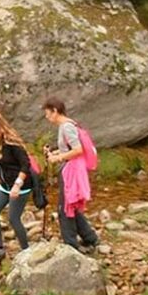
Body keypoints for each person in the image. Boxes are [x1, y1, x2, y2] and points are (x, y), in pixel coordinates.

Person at [43, 98, 98, 253]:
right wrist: (54, 153)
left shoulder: (66, 127)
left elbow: (78, 150)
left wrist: (58, 158)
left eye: (48, 114)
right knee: (72, 205)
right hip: (72, 169)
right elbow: (68, 148)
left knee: (64, 208)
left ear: (55, 111)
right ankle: (90, 238)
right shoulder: (68, 125)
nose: (47, 118)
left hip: (72, 171)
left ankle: (71, 245)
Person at [0, 111, 33, 258]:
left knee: (13, 218)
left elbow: (25, 165)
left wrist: (17, 184)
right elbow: (1, 165)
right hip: (5, 185)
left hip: (20, 186)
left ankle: (26, 251)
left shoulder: (12, 143)